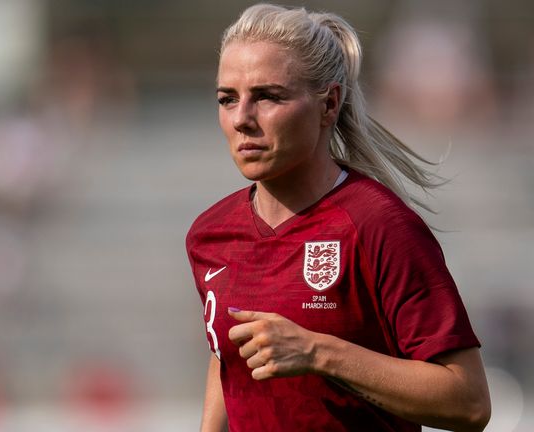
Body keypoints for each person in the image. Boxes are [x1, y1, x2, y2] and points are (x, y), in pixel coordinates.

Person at [185, 4, 491, 431]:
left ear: (329, 104)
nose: (241, 119)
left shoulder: (379, 224)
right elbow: (228, 360)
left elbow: (469, 401)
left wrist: (317, 353)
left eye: (268, 97)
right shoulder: (210, 235)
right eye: (227, 99)